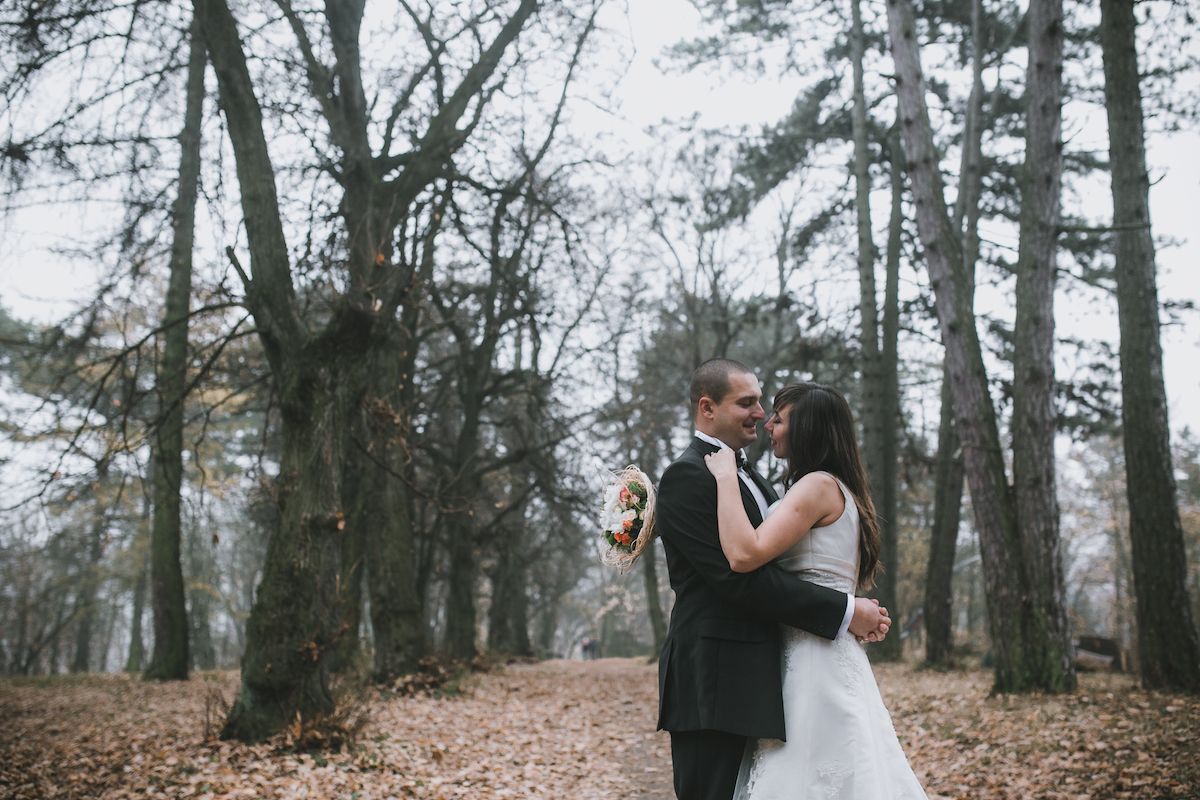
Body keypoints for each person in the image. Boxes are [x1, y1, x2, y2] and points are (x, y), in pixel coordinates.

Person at [655, 359, 892, 800]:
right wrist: (844, 610)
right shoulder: (687, 476)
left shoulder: (763, 480)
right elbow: (736, 579)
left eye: (766, 405)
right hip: (714, 679)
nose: (761, 414)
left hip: (767, 675)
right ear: (708, 408)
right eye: (747, 403)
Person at [703, 381, 928, 800]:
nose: (769, 424)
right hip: (826, 651)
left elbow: (743, 554)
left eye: (781, 418)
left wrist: (724, 478)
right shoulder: (836, 488)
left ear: (807, 428)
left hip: (811, 663)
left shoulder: (817, 486)